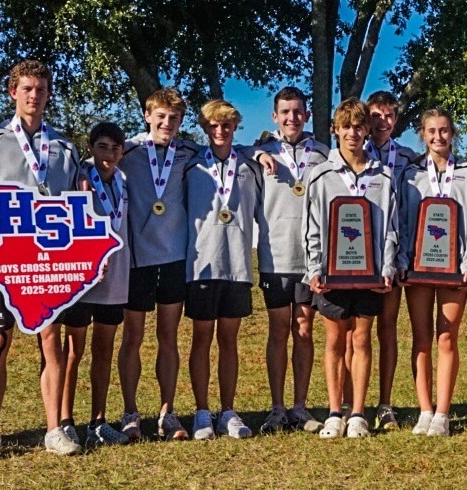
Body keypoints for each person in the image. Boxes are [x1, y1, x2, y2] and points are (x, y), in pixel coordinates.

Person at [0, 60, 84, 458]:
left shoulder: (66, 148)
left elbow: (75, 207)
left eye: (40, 89)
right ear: (12, 92)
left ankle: (54, 428)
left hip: (49, 262)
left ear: (48, 94)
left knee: (51, 343)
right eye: (27, 88)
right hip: (5, 259)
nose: (34, 95)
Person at [306, 97, 398, 439]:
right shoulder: (321, 175)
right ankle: (334, 411)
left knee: (362, 339)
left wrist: (387, 266)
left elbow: (391, 226)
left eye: (359, 127)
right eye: (345, 127)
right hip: (333, 272)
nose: (353, 133)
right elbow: (312, 226)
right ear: (336, 130)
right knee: (334, 339)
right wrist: (315, 267)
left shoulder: (383, 176)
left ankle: (358, 411)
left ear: (366, 131)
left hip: (370, 272)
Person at [117, 88, 201, 441]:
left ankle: (168, 412)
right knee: (133, 337)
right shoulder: (129, 151)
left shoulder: (189, 152)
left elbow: (231, 152)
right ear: (148, 115)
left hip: (174, 258)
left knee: (168, 337)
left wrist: (261, 155)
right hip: (137, 260)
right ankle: (131, 412)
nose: (167, 123)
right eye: (161, 117)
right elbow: (96, 160)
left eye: (175, 118)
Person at [183, 99, 265, 440]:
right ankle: (202, 412)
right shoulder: (191, 168)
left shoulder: (250, 167)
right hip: (201, 265)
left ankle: (228, 410)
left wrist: (259, 153)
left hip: (238, 266)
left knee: (229, 341)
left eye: (226, 125)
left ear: (235, 127)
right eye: (214, 126)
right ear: (205, 129)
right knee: (202, 339)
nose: (220, 131)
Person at [398, 108, 467, 437]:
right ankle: (424, 410)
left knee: (446, 337)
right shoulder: (410, 174)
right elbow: (403, 221)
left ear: (453, 132)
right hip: (418, 267)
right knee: (421, 338)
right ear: (421, 133)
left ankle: (443, 413)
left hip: (454, 268)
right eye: (431, 131)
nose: (438, 137)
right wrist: (404, 259)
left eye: (444, 130)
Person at [255, 87, 328, 434]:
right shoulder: (261, 152)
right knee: (278, 330)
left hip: (310, 259)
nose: (291, 118)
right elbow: (232, 151)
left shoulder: (324, 154)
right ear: (274, 116)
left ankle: (300, 406)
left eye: (298, 111)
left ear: (307, 115)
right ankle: (276, 407)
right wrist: (257, 154)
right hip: (274, 256)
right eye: (285, 112)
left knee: (304, 330)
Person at [55, 122, 132, 447]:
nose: (109, 154)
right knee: (73, 351)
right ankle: (64, 419)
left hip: (114, 279)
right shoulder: (79, 179)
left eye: (115, 148)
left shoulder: (124, 182)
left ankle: (98, 421)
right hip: (83, 279)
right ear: (90, 149)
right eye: (102, 147)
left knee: (103, 350)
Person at [363, 90, 417, 430]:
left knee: (387, 329)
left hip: (394, 254)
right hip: (354, 255)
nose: (382, 122)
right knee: (356, 333)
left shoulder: (409, 158)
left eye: (389, 116)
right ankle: (348, 405)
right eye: (376, 116)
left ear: (396, 120)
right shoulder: (350, 153)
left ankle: (385, 404)